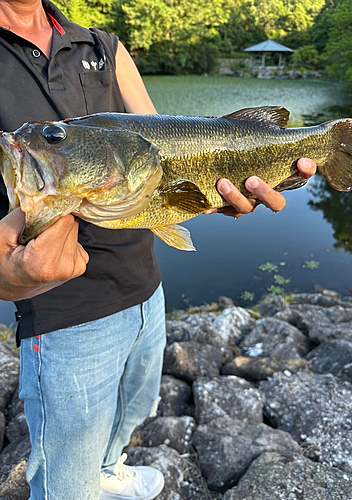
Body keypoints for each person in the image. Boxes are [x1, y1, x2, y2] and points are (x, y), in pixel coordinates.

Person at [0, 1, 317, 499]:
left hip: (145, 286)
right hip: (61, 311)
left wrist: (216, 189)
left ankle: (108, 470)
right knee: (65, 482)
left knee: (134, 409)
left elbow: (163, 137)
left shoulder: (103, 46)